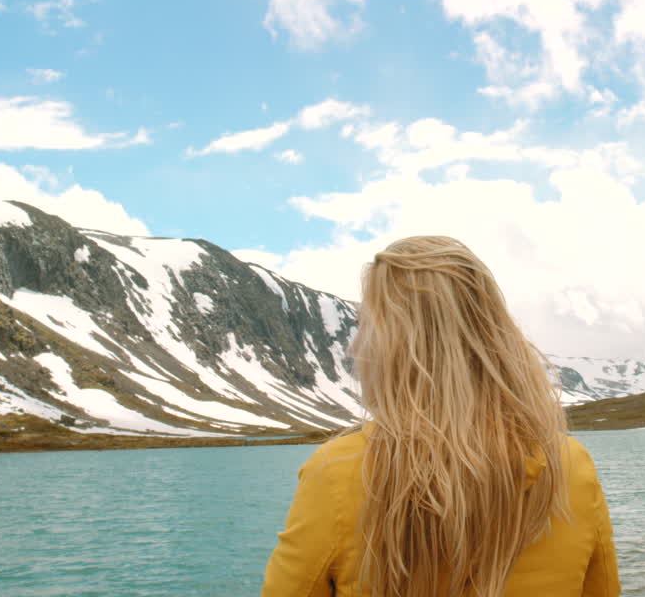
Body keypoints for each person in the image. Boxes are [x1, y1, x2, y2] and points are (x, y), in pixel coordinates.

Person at [261, 235, 620, 597]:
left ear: (400, 344)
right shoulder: (570, 465)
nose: (355, 346)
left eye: (365, 325)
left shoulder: (338, 471)